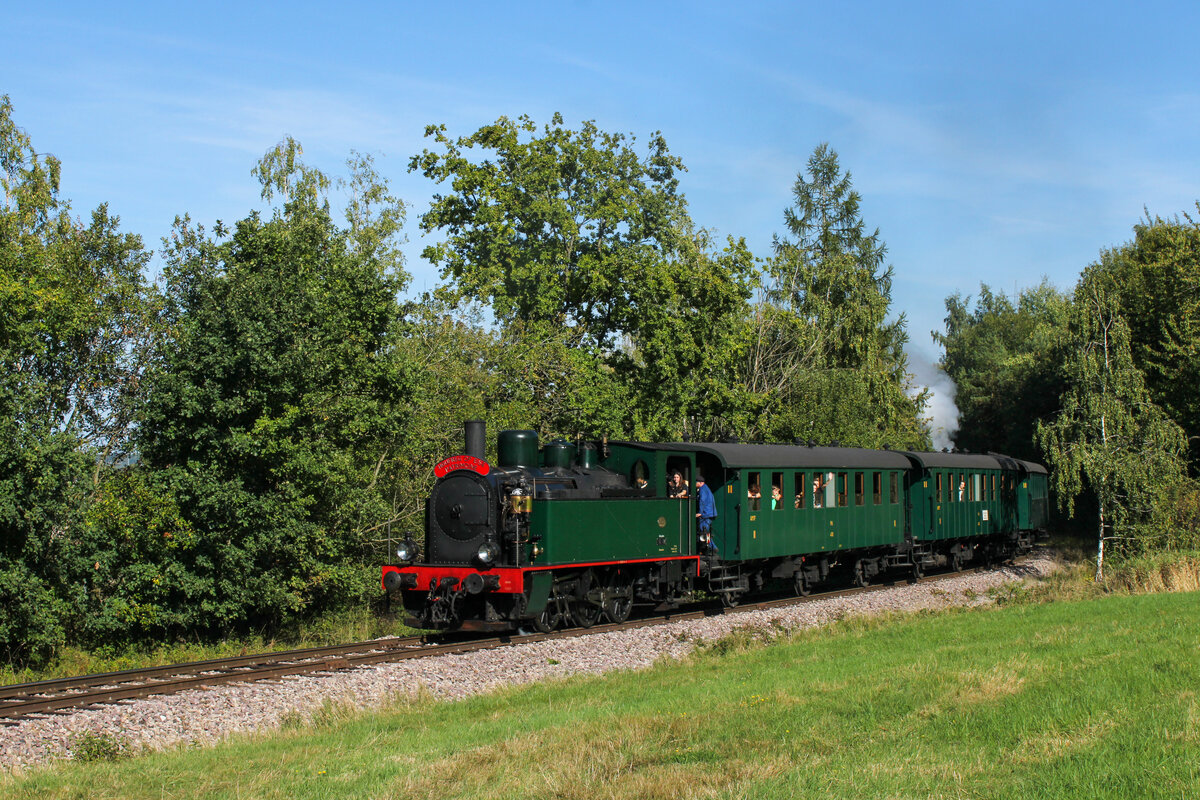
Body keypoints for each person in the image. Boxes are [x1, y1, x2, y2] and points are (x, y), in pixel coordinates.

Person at [695, 475, 717, 554]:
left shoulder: (702, 490)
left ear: (700, 483)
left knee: (703, 530)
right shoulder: (705, 488)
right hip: (709, 513)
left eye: (696, 482)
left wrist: (700, 513)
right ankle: (709, 547)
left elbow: (702, 501)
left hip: (706, 514)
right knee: (704, 530)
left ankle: (712, 547)